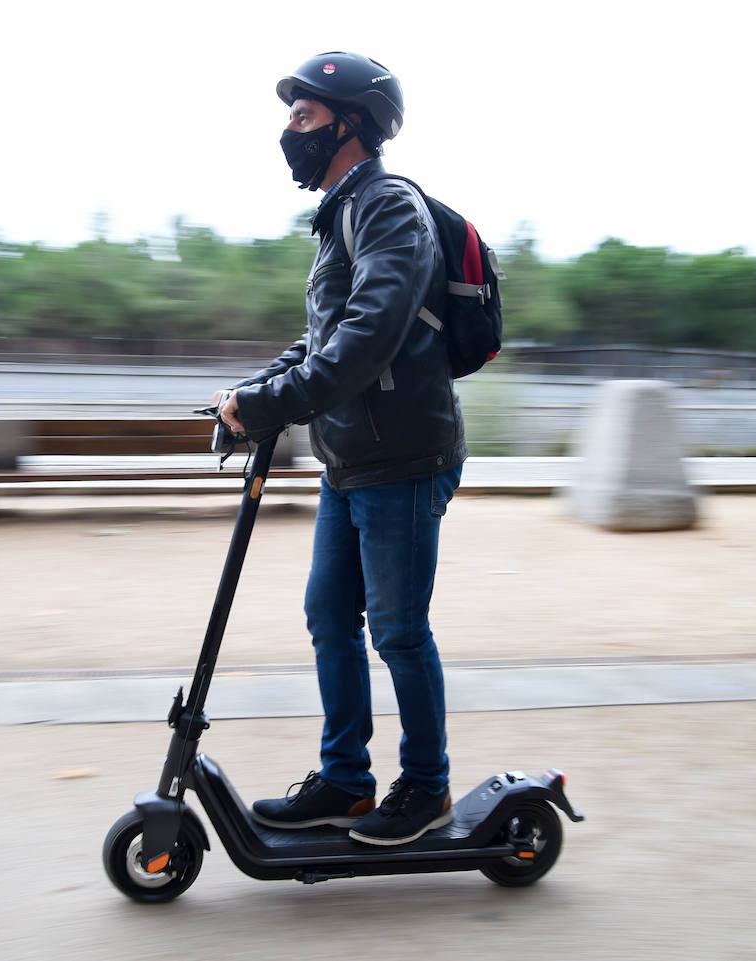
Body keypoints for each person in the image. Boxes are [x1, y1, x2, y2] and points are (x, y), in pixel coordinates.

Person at [211, 52, 467, 847]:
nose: (290, 132)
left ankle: (425, 787)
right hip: (350, 456)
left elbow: (365, 342)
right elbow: (319, 338)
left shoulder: (388, 207)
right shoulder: (341, 215)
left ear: (350, 122)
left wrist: (270, 405)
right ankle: (346, 782)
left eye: (304, 116)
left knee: (396, 628)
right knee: (329, 614)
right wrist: (250, 395)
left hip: (406, 457)